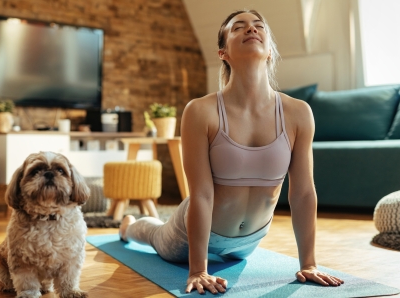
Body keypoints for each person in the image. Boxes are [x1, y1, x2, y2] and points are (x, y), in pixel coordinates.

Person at [119, 9, 344, 295]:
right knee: (154, 236)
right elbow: (200, 193)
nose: (251, 30)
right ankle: (128, 226)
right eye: (239, 27)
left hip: (248, 243)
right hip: (193, 233)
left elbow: (303, 192)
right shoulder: (201, 111)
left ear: (271, 51)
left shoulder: (298, 113)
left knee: (234, 253)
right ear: (223, 52)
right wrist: (198, 269)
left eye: (258, 26)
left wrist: (308, 263)